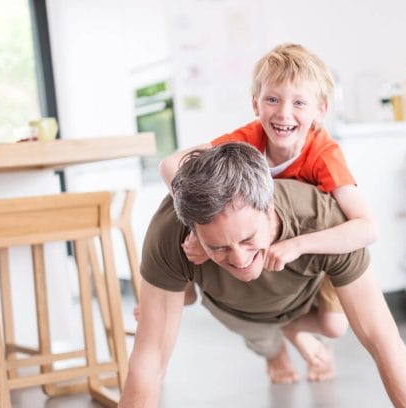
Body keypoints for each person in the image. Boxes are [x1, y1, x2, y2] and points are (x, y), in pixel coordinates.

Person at [76, 143, 406, 408]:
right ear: (193, 231)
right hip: (234, 305)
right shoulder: (169, 233)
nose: (241, 258)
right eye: (218, 247)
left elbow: (384, 339)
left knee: (338, 325)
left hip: (302, 293)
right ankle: (270, 336)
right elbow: (149, 360)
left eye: (249, 239)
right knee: (189, 319)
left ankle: (292, 328)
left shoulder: (322, 217)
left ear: (269, 208)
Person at [158, 43, 376, 384]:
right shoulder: (246, 142)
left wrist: (299, 245)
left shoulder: (324, 154)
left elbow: (367, 228)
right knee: (209, 260)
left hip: (309, 250)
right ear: (255, 103)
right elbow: (171, 164)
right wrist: (196, 231)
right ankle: (181, 297)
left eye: (299, 102)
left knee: (334, 326)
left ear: (320, 110)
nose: (283, 114)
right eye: (272, 99)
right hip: (259, 250)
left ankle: (291, 328)